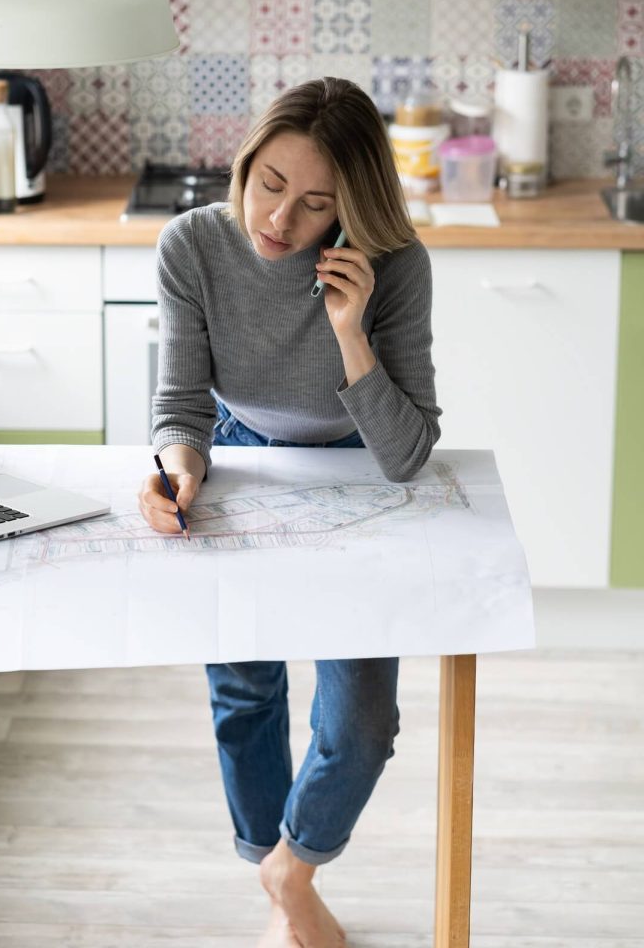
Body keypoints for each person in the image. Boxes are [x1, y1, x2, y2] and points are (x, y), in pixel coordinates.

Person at [138, 77, 441, 948]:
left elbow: (406, 453)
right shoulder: (192, 245)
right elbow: (182, 407)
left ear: (351, 212)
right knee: (242, 687)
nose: (278, 219)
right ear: (246, 161)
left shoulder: (398, 266)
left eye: (314, 205)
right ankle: (280, 888)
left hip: (355, 469)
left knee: (362, 720)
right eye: (269, 183)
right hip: (240, 454)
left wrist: (351, 330)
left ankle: (292, 867)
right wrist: (179, 468)